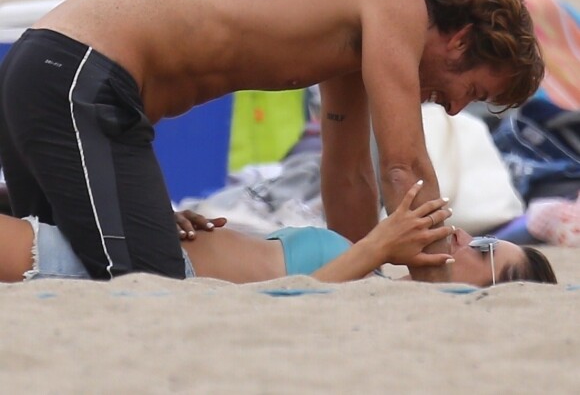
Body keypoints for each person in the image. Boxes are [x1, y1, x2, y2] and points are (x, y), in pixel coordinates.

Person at [0, 0, 544, 282]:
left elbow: (350, 176)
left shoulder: (356, 46)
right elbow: (405, 168)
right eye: (469, 89)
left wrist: (360, 267)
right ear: (460, 40)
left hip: (63, 75)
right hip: (78, 77)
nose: (453, 109)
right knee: (146, 282)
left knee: (58, 250)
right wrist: (436, 275)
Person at [0, 181, 556, 286]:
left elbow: (286, 299)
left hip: (115, 269)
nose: (462, 237)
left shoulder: (369, 286)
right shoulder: (372, 269)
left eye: (484, 249)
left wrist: (376, 247)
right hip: (141, 243)